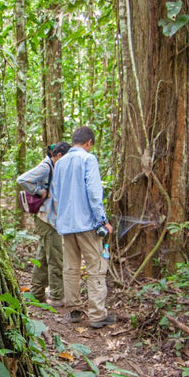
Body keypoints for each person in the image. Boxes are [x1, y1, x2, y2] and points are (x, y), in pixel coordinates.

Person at [51, 126, 115, 328]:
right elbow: (95, 194)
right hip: (87, 224)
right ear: (89, 143)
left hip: (67, 225)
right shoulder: (88, 159)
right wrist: (102, 220)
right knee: (96, 267)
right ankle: (97, 315)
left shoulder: (60, 164)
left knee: (71, 268)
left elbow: (56, 195)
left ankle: (74, 311)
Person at [17, 142, 71, 306]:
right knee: (56, 257)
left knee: (43, 257)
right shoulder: (46, 167)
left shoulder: (53, 167)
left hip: (48, 218)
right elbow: (22, 179)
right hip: (46, 220)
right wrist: (39, 192)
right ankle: (56, 296)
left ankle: (37, 293)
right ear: (59, 156)